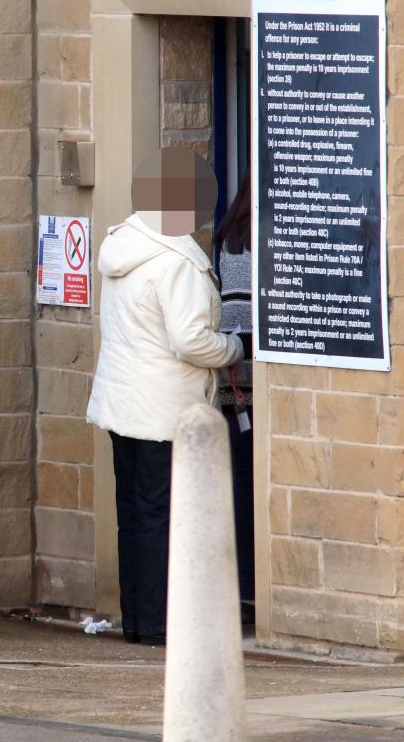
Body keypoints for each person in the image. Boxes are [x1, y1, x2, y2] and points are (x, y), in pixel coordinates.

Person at [86, 147, 243, 645]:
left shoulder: (123, 245)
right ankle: (158, 624)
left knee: (132, 514)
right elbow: (191, 340)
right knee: (160, 515)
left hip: (122, 402)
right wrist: (237, 345)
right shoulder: (176, 261)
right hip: (164, 408)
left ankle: (137, 618)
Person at [214, 171, 255, 622]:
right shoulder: (264, 235)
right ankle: (248, 585)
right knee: (247, 479)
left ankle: (242, 585)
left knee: (239, 475)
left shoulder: (227, 234)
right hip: (251, 369)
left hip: (231, 377)